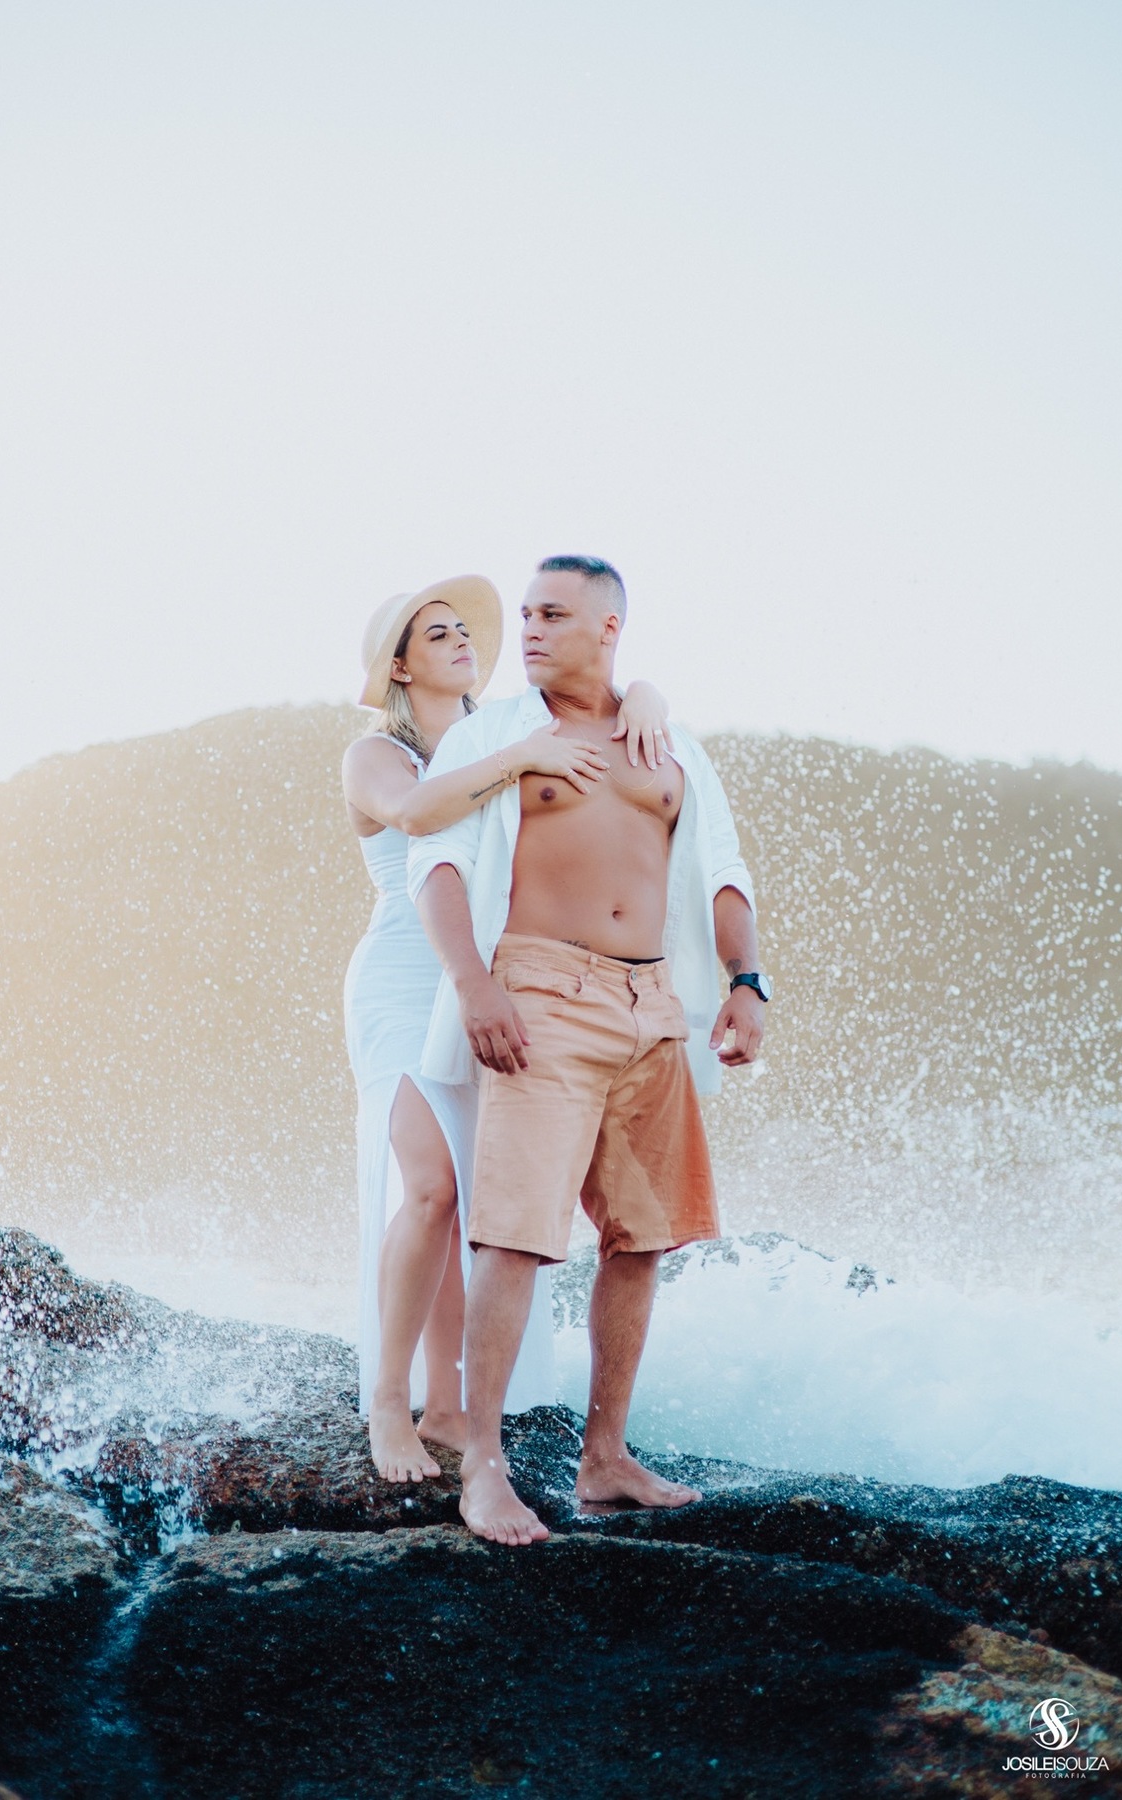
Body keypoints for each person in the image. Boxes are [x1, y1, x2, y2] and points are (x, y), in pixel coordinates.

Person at [409, 555, 769, 1544]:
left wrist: (745, 984)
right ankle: (482, 1467)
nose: (528, 629)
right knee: (518, 1232)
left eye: (553, 614)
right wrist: (475, 984)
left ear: (609, 627)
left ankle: (604, 1457)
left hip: (654, 1005)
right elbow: (434, 863)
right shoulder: (497, 736)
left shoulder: (671, 742)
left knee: (641, 1234)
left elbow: (722, 873)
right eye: (524, 613)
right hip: (540, 993)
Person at [342, 574, 671, 1484]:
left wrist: (644, 693)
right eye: (434, 633)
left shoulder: (502, 731)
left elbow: (602, 698)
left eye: (463, 630)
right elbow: (419, 814)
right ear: (400, 666)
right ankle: (387, 1404)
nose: (460, 641)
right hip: (407, 980)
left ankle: (449, 1405)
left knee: (471, 1198)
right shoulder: (379, 755)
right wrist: (524, 757)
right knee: (431, 1188)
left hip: (487, 981)